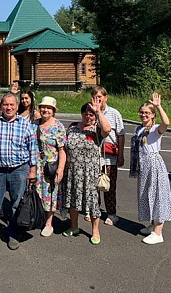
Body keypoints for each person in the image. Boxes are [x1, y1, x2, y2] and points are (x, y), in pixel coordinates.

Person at [0, 93, 37, 251]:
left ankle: (13, 235)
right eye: (6, 104)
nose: (9, 107)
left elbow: (33, 149)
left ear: (17, 106)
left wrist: (33, 170)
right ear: (1, 106)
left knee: (17, 204)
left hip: (19, 170)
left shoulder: (25, 124)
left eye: (12, 105)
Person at [61, 97, 111, 245]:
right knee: (73, 199)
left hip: (90, 173)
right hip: (72, 171)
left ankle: (95, 231)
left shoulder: (96, 130)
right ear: (81, 114)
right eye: (86, 114)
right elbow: (64, 147)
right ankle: (74, 226)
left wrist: (98, 112)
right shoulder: (72, 127)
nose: (88, 117)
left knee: (93, 202)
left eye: (91, 115)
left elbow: (107, 129)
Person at [130, 93, 171, 245]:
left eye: (147, 112)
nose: (143, 115)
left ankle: (158, 233)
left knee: (157, 197)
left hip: (154, 165)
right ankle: (152, 225)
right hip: (144, 166)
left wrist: (158, 106)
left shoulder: (155, 128)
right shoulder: (139, 129)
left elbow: (166, 123)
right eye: (142, 112)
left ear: (153, 115)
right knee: (146, 196)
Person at [31, 96, 67, 237]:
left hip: (49, 167)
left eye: (48, 108)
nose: (45, 110)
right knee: (36, 193)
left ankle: (48, 223)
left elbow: (62, 150)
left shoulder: (58, 126)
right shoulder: (34, 124)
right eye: (43, 107)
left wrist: (61, 169)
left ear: (53, 111)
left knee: (49, 194)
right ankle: (38, 218)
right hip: (35, 166)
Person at [91, 86, 125, 226]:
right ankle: (94, 210)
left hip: (109, 155)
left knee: (109, 185)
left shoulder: (114, 113)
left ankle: (111, 213)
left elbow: (121, 135)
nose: (97, 99)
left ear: (106, 97)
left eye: (100, 97)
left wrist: (121, 155)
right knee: (94, 185)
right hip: (94, 155)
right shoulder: (90, 111)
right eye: (94, 97)